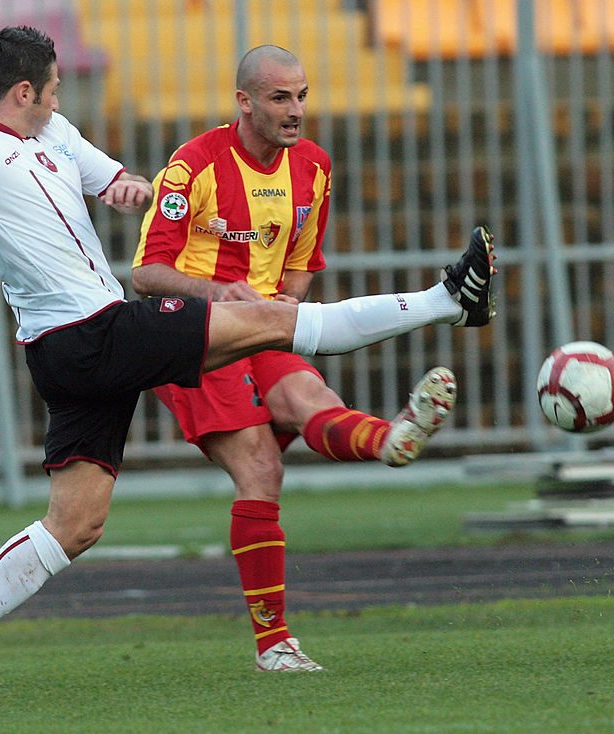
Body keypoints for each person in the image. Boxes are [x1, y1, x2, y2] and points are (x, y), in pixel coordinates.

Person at [0, 26, 496, 705]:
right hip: (90, 333)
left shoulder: (53, 135)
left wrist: (137, 190)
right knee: (272, 321)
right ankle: (447, 301)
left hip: (72, 354)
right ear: (22, 91)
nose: (59, 99)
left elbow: (115, 182)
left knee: (75, 524)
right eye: (51, 89)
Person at [131, 44, 497, 672]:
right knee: (260, 469)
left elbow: (301, 266)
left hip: (266, 327)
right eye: (280, 98)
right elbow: (146, 274)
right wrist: (217, 291)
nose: (295, 110)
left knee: (312, 400)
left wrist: (284, 307)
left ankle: (390, 440)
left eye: (301, 96)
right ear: (245, 101)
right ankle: (274, 645)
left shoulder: (315, 168)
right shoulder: (194, 166)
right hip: (190, 336)